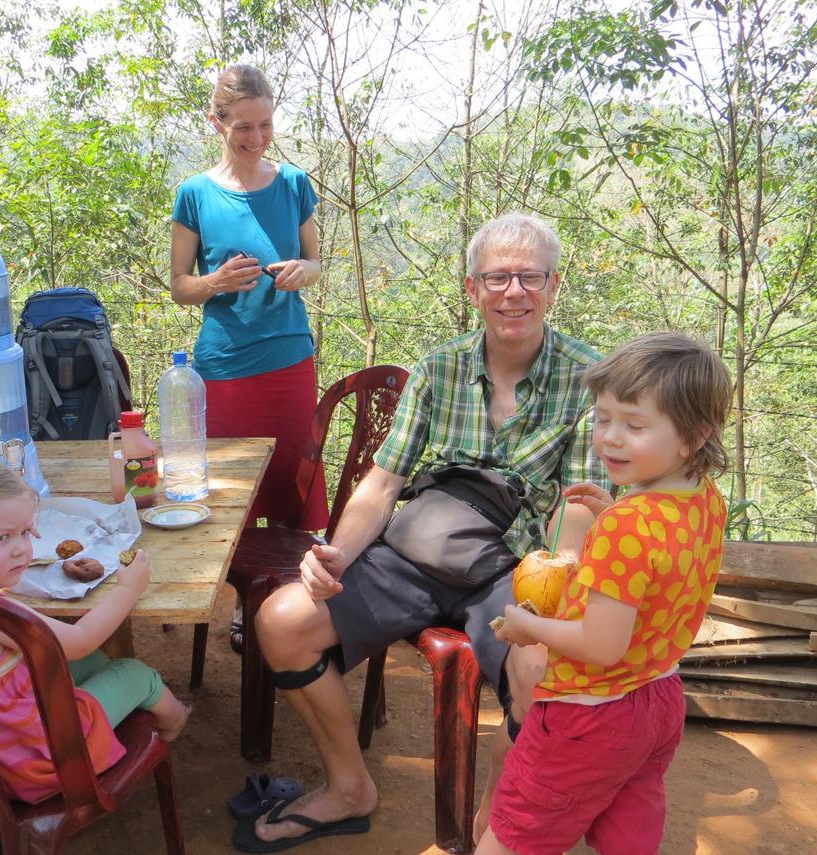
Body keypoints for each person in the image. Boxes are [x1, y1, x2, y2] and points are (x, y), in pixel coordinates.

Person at [240, 213, 611, 852]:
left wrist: (561, 575)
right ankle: (349, 788)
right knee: (281, 621)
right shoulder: (439, 368)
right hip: (414, 551)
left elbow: (578, 503)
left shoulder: (589, 377)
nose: (513, 292)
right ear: (472, 290)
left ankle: (498, 824)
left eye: (529, 277)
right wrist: (334, 554)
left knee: (540, 669)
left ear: (553, 286)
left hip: (512, 564)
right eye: (497, 278)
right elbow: (384, 483)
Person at [478, 332, 731, 855]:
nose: (610, 438)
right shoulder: (702, 498)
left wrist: (527, 629)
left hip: (587, 713)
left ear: (695, 435)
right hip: (657, 698)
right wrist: (611, 515)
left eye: (634, 425)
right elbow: (663, 564)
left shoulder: (630, 528)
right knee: (627, 833)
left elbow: (599, 644)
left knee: (517, 835)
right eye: (602, 418)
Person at [0, 455, 189, 803]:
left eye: (25, 533)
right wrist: (128, 589)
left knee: (94, 666)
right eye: (2, 538)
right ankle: (175, 723)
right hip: (36, 758)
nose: (21, 549)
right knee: (136, 674)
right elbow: (78, 641)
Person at [170, 64, 328, 576]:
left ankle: (286, 593)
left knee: (290, 488)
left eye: (265, 125)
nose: (256, 138)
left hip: (290, 360)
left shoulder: (294, 183)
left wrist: (302, 271)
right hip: (227, 367)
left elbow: (315, 261)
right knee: (234, 494)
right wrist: (214, 282)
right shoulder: (195, 193)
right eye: (243, 126)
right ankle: (239, 601)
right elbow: (180, 287)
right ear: (216, 124)